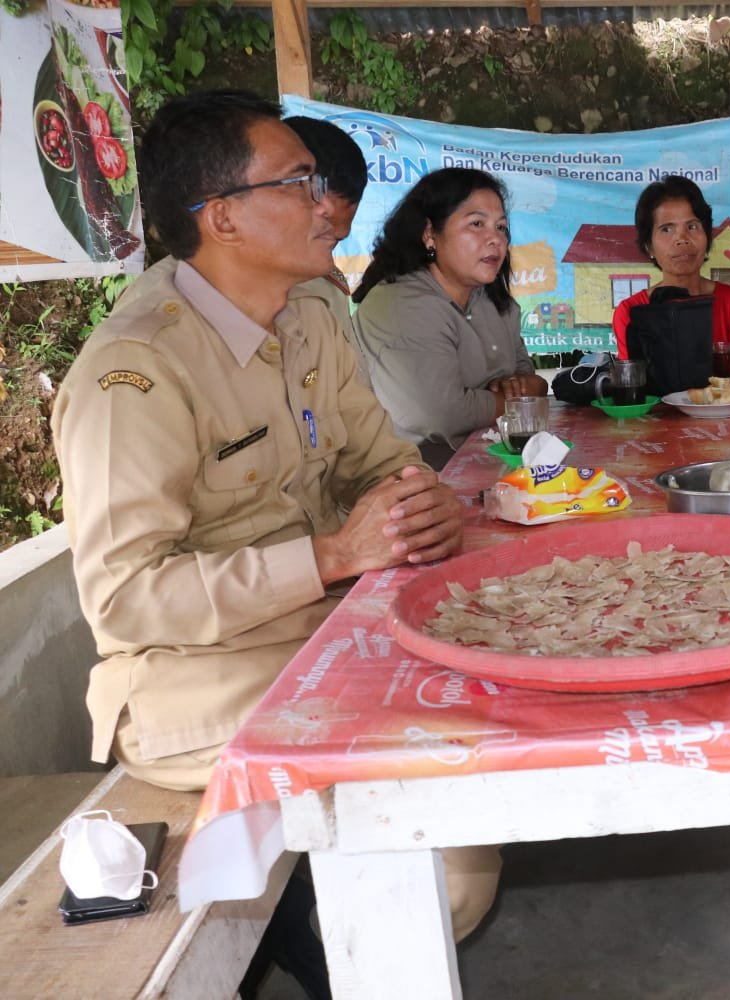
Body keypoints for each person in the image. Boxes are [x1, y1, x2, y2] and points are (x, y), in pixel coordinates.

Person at [51, 90, 500, 993]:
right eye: (296, 182)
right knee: (449, 828)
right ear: (221, 218)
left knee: (494, 670)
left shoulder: (310, 318)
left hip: (317, 634)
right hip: (191, 680)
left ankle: (336, 947)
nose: (326, 201)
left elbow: (380, 461)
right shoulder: (135, 372)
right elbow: (126, 597)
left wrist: (421, 505)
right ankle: (346, 956)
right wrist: (333, 557)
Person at [353, 167, 547, 468]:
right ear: (431, 235)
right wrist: (519, 398)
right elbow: (443, 414)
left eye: (501, 227)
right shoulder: (403, 303)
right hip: (412, 480)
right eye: (477, 224)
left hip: (488, 465)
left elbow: (526, 373)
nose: (495, 239)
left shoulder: (492, 300)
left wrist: (524, 387)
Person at [610, 174, 730, 382]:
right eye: (667, 229)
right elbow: (634, 391)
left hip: (724, 415)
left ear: (707, 237)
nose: (682, 239)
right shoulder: (631, 312)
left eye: (692, 226)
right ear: (648, 246)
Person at [284, 115, 369, 381]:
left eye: (335, 242)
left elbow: (356, 396)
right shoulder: (191, 305)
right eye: (322, 234)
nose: (326, 261)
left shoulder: (326, 287)